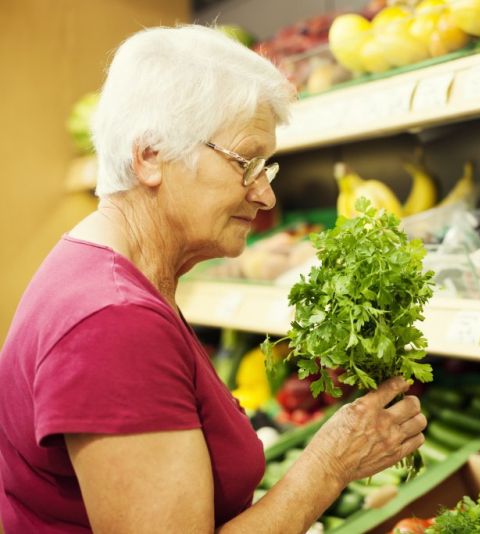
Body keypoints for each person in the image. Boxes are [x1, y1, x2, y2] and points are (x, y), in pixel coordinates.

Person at [0, 25, 426, 533]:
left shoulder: (111, 277)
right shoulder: (112, 323)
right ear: (150, 155)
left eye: (268, 168)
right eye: (247, 164)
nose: (265, 196)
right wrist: (329, 466)